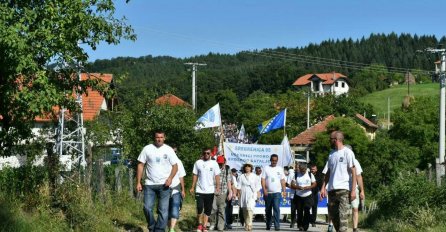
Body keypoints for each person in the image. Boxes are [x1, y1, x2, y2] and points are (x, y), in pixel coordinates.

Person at [136, 130, 179, 232]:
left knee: (163, 210)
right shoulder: (147, 149)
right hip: (149, 184)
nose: (159, 139)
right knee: (147, 208)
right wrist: (138, 182)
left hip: (164, 185)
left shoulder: (169, 150)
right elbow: (140, 165)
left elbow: (175, 167)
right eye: (157, 137)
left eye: (161, 137)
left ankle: (159, 230)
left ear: (164, 138)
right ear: (154, 138)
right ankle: (152, 226)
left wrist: (170, 179)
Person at [321, 131, 357, 232]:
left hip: (344, 190)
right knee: (334, 218)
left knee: (343, 220)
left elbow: (354, 172)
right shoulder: (331, 154)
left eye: (330, 139)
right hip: (332, 191)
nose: (329, 141)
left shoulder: (348, 152)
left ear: (336, 140)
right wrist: (323, 187)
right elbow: (328, 172)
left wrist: (353, 190)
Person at [190, 148, 221, 232]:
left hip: (210, 190)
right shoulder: (198, 163)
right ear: (202, 153)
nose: (206, 155)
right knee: (199, 207)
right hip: (199, 189)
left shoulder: (214, 163)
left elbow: (217, 176)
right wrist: (192, 187)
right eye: (204, 153)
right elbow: (195, 175)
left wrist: (218, 187)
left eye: (208, 153)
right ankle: (199, 224)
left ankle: (204, 226)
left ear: (210, 154)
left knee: (208, 209)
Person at [261, 154, 286, 231]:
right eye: (273, 160)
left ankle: (277, 225)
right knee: (268, 209)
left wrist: (284, 190)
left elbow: (282, 180)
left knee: (276, 208)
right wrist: (264, 190)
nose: (274, 162)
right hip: (268, 193)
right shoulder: (266, 168)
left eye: (275, 160)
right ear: (270, 160)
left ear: (277, 160)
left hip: (277, 193)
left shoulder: (280, 169)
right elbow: (263, 180)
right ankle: (268, 224)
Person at [344, 145, 365, 232]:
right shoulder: (341, 161)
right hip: (343, 188)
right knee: (343, 210)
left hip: (354, 188)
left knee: (355, 208)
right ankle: (343, 228)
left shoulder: (355, 162)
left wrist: (362, 191)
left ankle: (355, 228)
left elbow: (359, 176)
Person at [209, 155, 233, 232]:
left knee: (221, 209)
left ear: (224, 162)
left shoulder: (227, 169)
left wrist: (230, 192)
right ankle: (213, 224)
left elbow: (229, 181)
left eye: (221, 163)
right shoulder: (213, 168)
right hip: (213, 191)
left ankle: (220, 226)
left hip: (223, 191)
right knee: (213, 208)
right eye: (219, 163)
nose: (220, 165)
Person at [291, 163, 317, 231]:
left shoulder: (310, 174)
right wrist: (298, 187)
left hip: (308, 196)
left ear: (306, 169)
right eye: (301, 170)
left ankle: (305, 226)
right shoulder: (296, 174)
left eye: (303, 170)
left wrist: (309, 187)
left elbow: (314, 183)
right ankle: (300, 225)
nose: (302, 171)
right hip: (298, 196)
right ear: (299, 169)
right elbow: (292, 184)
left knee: (307, 211)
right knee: (299, 212)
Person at [237, 163, 261, 231]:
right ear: (244, 168)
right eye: (246, 166)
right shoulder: (241, 176)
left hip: (251, 193)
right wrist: (238, 194)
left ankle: (250, 224)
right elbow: (238, 186)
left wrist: (258, 192)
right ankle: (246, 223)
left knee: (249, 208)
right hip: (244, 193)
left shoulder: (255, 176)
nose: (247, 168)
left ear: (251, 168)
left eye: (249, 166)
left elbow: (258, 185)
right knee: (244, 209)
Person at [168, 147, 186, 232]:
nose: (173, 153)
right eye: (172, 151)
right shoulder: (165, 161)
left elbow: (181, 176)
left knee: (175, 208)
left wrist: (183, 189)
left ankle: (172, 229)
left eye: (175, 151)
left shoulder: (179, 162)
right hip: (165, 189)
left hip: (176, 188)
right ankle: (168, 227)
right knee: (166, 210)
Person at [309, 163, 324, 227]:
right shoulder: (307, 175)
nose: (312, 170)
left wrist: (321, 194)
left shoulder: (319, 175)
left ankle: (313, 221)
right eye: (311, 169)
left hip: (315, 193)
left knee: (314, 208)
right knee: (306, 207)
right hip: (308, 194)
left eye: (314, 169)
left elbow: (321, 185)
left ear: (316, 169)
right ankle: (307, 219)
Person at [288, 163, 298, 228]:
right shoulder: (291, 174)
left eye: (298, 167)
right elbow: (287, 184)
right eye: (296, 167)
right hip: (293, 194)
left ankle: (300, 222)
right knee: (293, 209)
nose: (297, 168)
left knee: (300, 209)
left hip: (301, 194)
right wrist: (293, 187)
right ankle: (292, 222)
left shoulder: (303, 174)